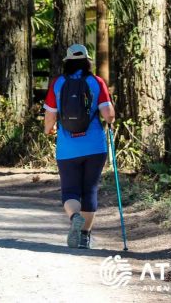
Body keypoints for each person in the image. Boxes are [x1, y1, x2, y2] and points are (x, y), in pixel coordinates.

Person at [43, 44, 116, 250]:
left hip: (67, 148)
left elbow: (50, 116)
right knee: (89, 191)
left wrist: (48, 130)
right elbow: (108, 115)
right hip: (95, 147)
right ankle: (84, 236)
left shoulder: (58, 83)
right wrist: (110, 119)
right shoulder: (96, 82)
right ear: (87, 61)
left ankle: (75, 216)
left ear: (66, 62)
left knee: (70, 190)